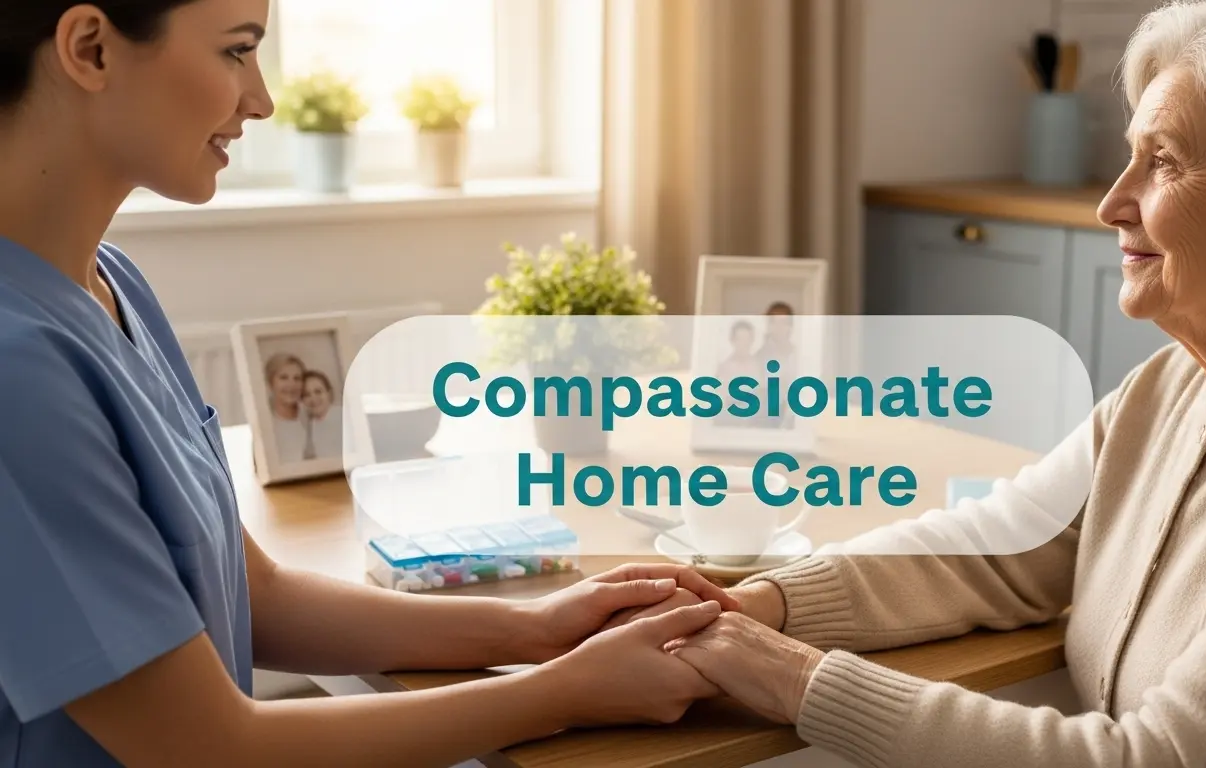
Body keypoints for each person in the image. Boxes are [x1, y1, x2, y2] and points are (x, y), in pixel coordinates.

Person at [615, 2, 1206, 765]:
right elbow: (996, 548)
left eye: (1163, 161)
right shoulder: (1168, 387)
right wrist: (761, 603)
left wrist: (794, 677)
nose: (1111, 203)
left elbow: (1161, 761)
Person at [0, 2, 739, 766]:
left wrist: (541, 628)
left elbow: (256, 591)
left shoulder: (110, 285)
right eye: (236, 51)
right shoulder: (16, 372)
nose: (262, 98)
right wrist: (565, 691)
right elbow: (209, 746)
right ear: (90, 48)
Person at [263, 351, 311, 461]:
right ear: (271, 382)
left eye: (297, 378)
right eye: (284, 378)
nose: (291, 385)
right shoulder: (264, 422)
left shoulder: (311, 415)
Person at [301, 369, 342, 460]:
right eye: (307, 395)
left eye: (318, 391)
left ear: (329, 393)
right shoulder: (309, 426)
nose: (313, 398)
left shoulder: (344, 417)